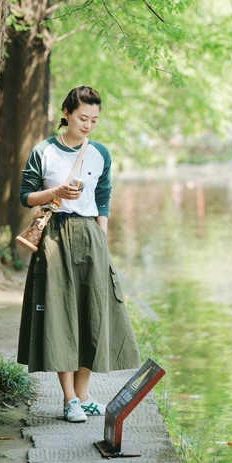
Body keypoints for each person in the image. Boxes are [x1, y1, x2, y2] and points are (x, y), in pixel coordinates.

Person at [17, 85, 140, 422]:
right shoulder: (43, 151)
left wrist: (102, 235)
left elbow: (103, 196)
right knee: (60, 312)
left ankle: (84, 397)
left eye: (94, 120)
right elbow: (25, 196)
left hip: (90, 236)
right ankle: (68, 398)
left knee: (90, 312)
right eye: (83, 117)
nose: (88, 125)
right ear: (67, 113)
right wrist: (55, 192)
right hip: (55, 236)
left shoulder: (100, 153)